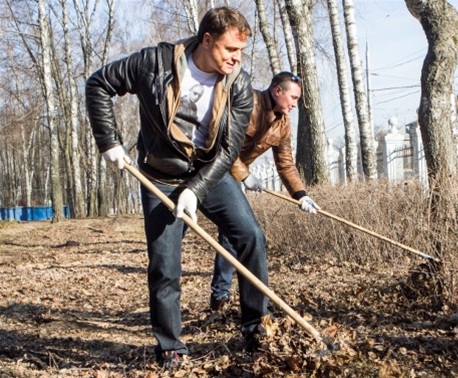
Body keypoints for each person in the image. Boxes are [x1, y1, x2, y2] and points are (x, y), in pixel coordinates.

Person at [85, 7, 269, 368]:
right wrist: (109, 142)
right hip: (159, 176)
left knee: (251, 237)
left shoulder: (239, 84)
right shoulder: (153, 63)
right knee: (165, 265)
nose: (236, 58)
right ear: (207, 39)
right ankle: (170, 345)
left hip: (208, 173)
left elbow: (230, 148)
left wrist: (196, 190)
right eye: (230, 49)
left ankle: (254, 327)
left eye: (241, 52)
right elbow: (98, 83)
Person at [209, 71, 320, 311]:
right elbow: (221, 141)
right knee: (179, 225)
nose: (295, 104)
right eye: (293, 97)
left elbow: (285, 163)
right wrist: (244, 174)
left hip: (232, 176)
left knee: (235, 231)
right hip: (207, 168)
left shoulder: (283, 124)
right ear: (278, 91)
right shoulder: (246, 102)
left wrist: (301, 195)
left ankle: (220, 295)